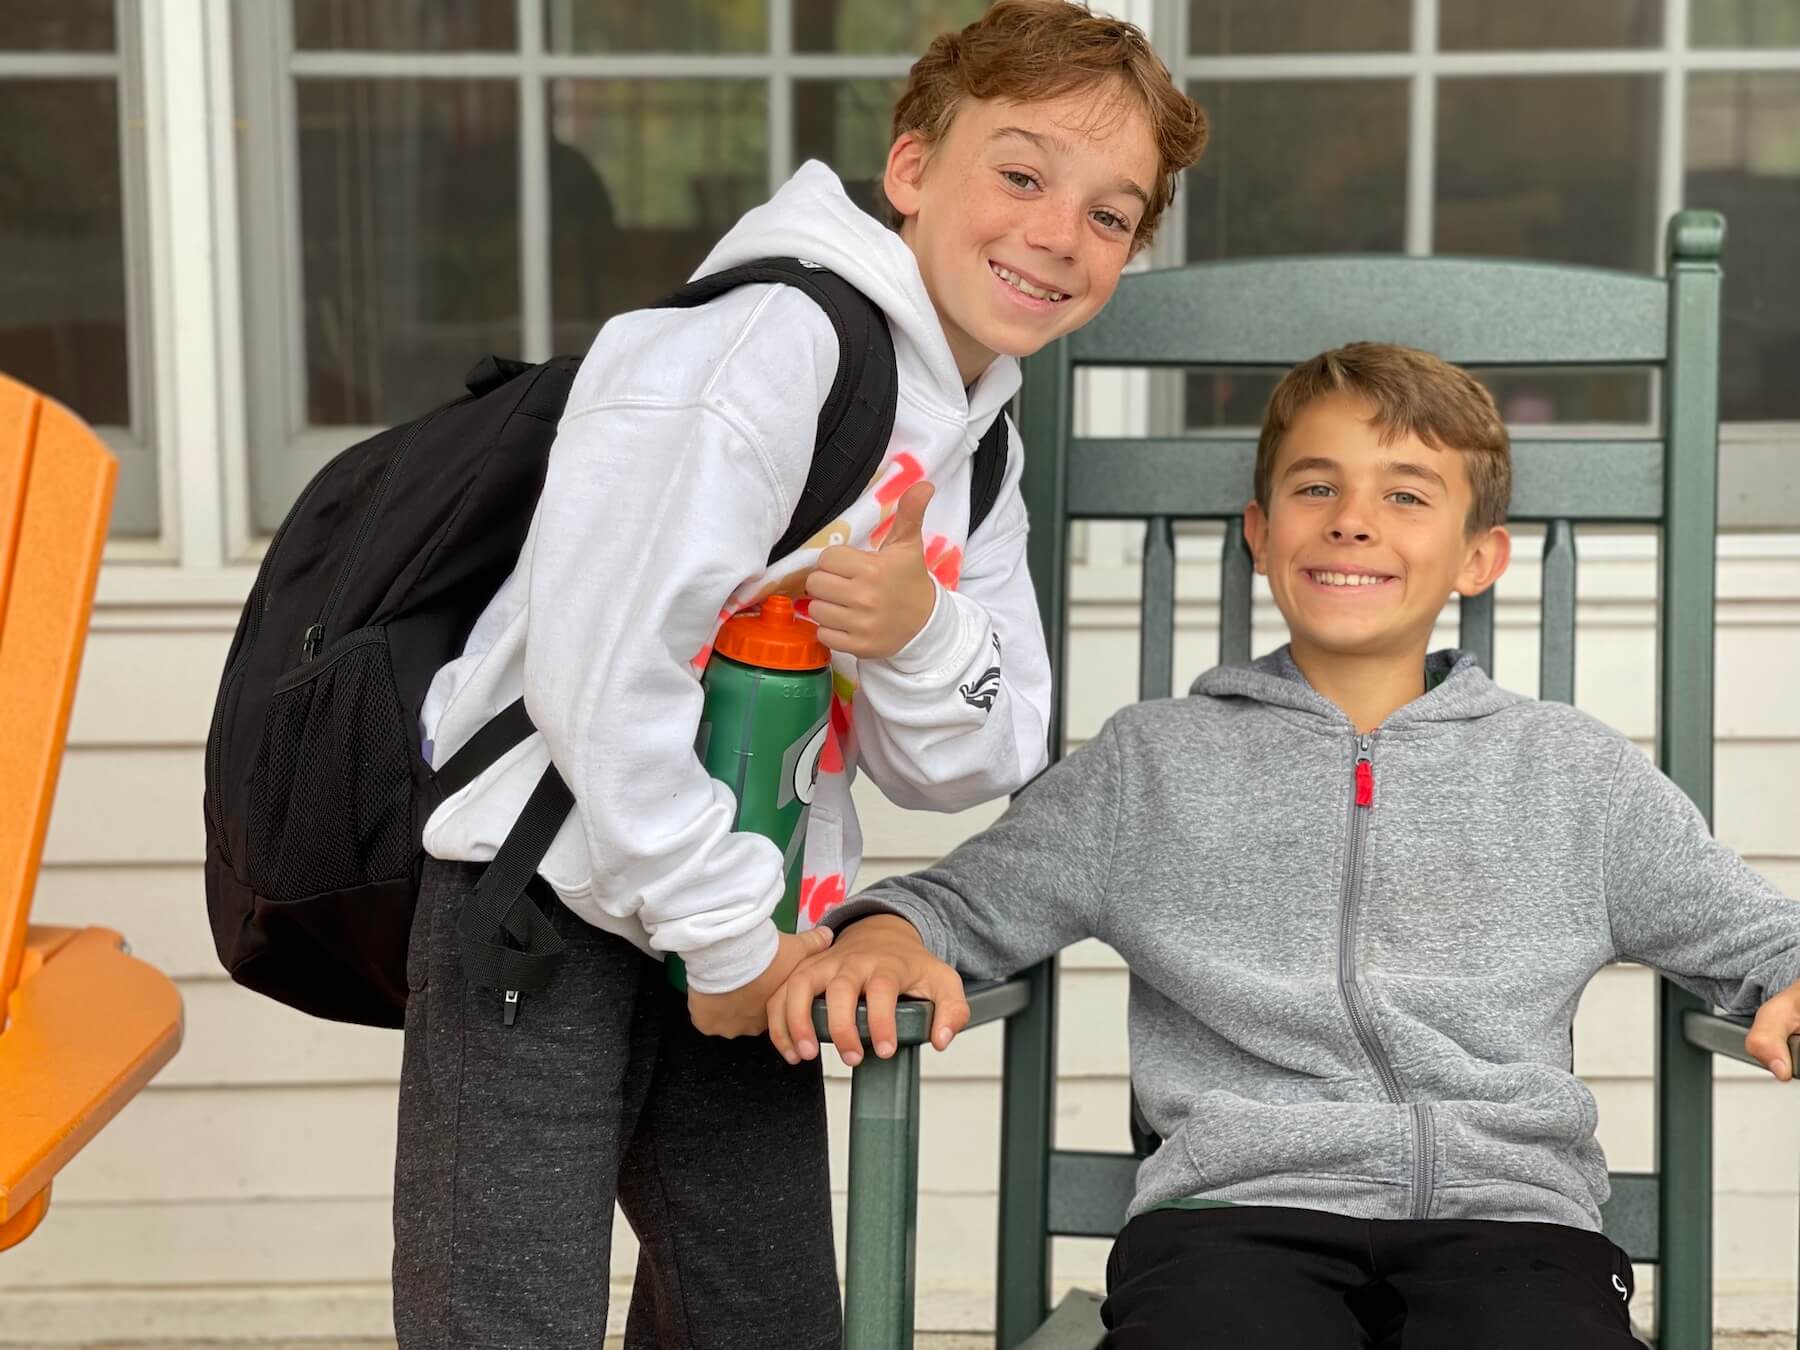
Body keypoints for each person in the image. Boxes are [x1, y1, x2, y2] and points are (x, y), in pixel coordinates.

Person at [391, 3, 1208, 1345]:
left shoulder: (979, 438)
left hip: (752, 913)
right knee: (506, 1319)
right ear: (910, 170)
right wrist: (724, 933)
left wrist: (919, 629)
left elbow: (985, 755)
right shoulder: (767, 347)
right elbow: (601, 676)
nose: (1059, 233)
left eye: (1111, 214)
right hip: (546, 899)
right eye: (1021, 172)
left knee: (761, 1317)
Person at [775, 341, 1800, 1348]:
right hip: (1232, 1219)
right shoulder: (1154, 764)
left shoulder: (1573, 774)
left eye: (1406, 496)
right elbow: (963, 905)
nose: (1353, 521)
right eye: (1317, 489)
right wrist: (889, 933)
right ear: (1261, 534)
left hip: (1514, 1222)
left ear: (1479, 556)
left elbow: (1754, 937)